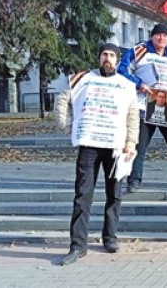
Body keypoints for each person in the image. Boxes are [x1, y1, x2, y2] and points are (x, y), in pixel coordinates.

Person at [55, 43, 139, 266]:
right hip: (89, 145)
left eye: (112, 55)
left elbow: (133, 117)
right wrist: (66, 126)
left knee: (114, 194)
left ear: (117, 59)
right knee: (83, 195)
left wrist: (131, 143)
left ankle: (110, 237)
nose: (107, 59)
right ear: (99, 57)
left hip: (116, 147)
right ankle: (77, 245)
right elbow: (63, 98)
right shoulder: (83, 79)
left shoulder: (126, 85)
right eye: (104, 55)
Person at [118, 23, 167, 193]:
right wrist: (139, 84)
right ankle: (133, 181)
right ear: (152, 36)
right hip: (143, 105)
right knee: (139, 146)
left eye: (165, 36)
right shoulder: (139, 51)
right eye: (158, 35)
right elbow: (122, 71)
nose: (161, 38)